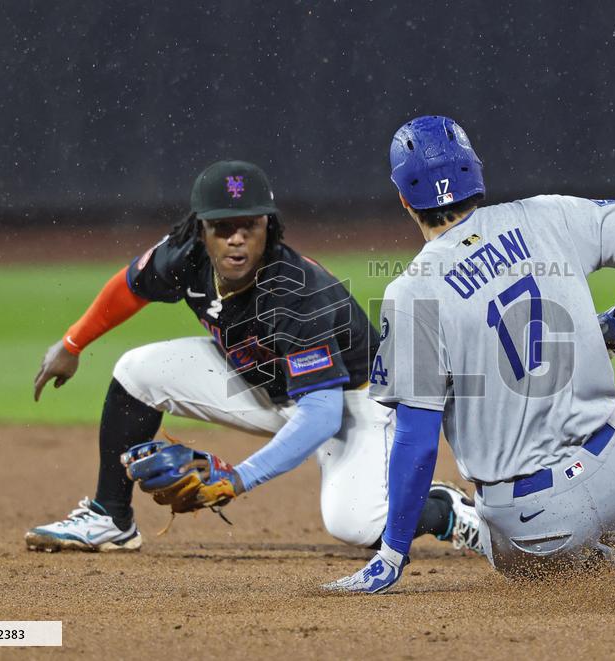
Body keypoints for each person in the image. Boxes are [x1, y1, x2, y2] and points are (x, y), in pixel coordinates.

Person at [26, 160, 483, 555]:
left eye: (250, 226)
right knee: (137, 372)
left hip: (354, 403)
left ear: (269, 225)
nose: (237, 240)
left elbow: (322, 414)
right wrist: (72, 344)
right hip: (263, 382)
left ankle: (443, 510)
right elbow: (130, 288)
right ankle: (110, 517)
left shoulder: (296, 292)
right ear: (200, 229)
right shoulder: (185, 255)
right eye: (223, 228)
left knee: (357, 525)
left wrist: (238, 478)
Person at [324, 116, 615, 593]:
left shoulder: (412, 293)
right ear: (476, 171)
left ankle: (582, 559)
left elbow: (418, 441)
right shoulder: (548, 214)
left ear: (404, 200)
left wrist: (391, 553)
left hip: (536, 526)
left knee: (517, 550)